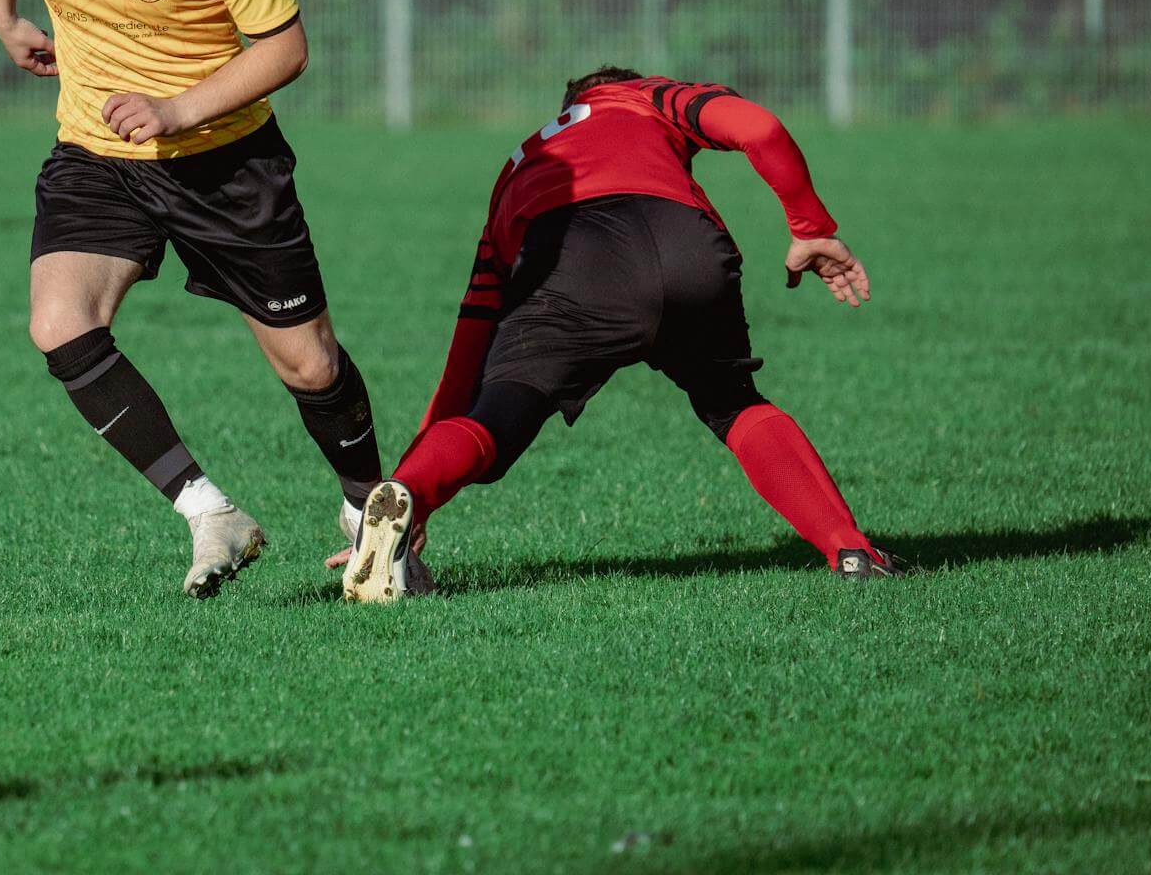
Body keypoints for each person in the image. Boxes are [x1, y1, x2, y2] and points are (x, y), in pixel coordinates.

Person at [0, 0, 420, 598]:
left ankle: (371, 513)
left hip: (225, 165)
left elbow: (286, 48)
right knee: (58, 321)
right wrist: (5, 18)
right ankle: (208, 510)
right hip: (98, 155)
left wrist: (176, 108)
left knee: (310, 366)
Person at [340, 67, 899, 603]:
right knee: (733, 404)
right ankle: (851, 551)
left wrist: (414, 493)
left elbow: (471, 337)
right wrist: (811, 228)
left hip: (571, 255)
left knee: (494, 418)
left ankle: (403, 498)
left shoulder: (517, 167)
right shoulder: (646, 96)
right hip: (686, 247)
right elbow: (761, 128)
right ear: (624, 84)